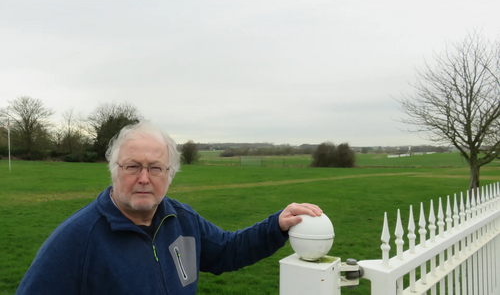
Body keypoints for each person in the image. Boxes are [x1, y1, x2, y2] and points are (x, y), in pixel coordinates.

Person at [16, 121, 322, 295]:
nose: (144, 179)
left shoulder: (182, 220)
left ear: (170, 174)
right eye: (133, 166)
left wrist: (276, 225)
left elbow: (227, 250)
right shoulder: (77, 238)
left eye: (156, 168)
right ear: (114, 170)